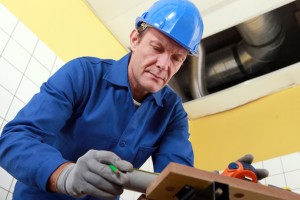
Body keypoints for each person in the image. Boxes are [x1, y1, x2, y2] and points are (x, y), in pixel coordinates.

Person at [0, 0, 268, 199]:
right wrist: (65, 174)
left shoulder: (172, 113)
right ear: (134, 39)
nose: (164, 64)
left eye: (176, 58)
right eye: (157, 48)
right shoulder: (83, 74)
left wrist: (219, 185)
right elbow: (14, 138)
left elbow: (173, 181)